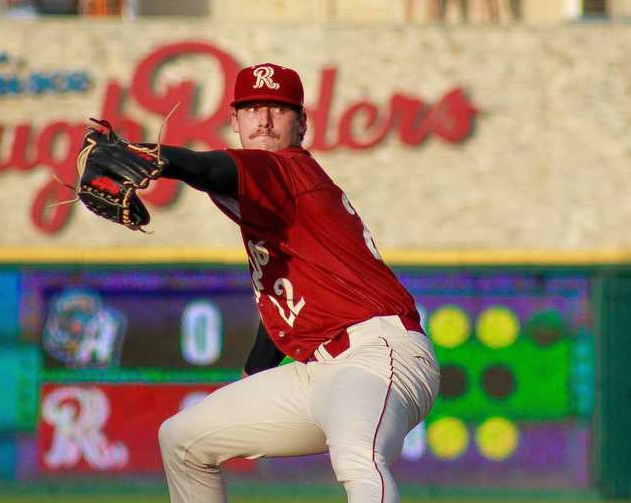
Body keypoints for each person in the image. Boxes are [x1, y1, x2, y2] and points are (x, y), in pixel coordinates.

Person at [151, 64, 440, 503]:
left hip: (378, 356)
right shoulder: (273, 206)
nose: (263, 120)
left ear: (301, 125)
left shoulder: (289, 170)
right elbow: (285, 307)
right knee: (183, 439)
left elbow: (210, 169)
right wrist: (252, 380)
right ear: (235, 122)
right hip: (316, 372)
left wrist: (155, 158)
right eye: (251, 109)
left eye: (277, 110)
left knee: (359, 458)